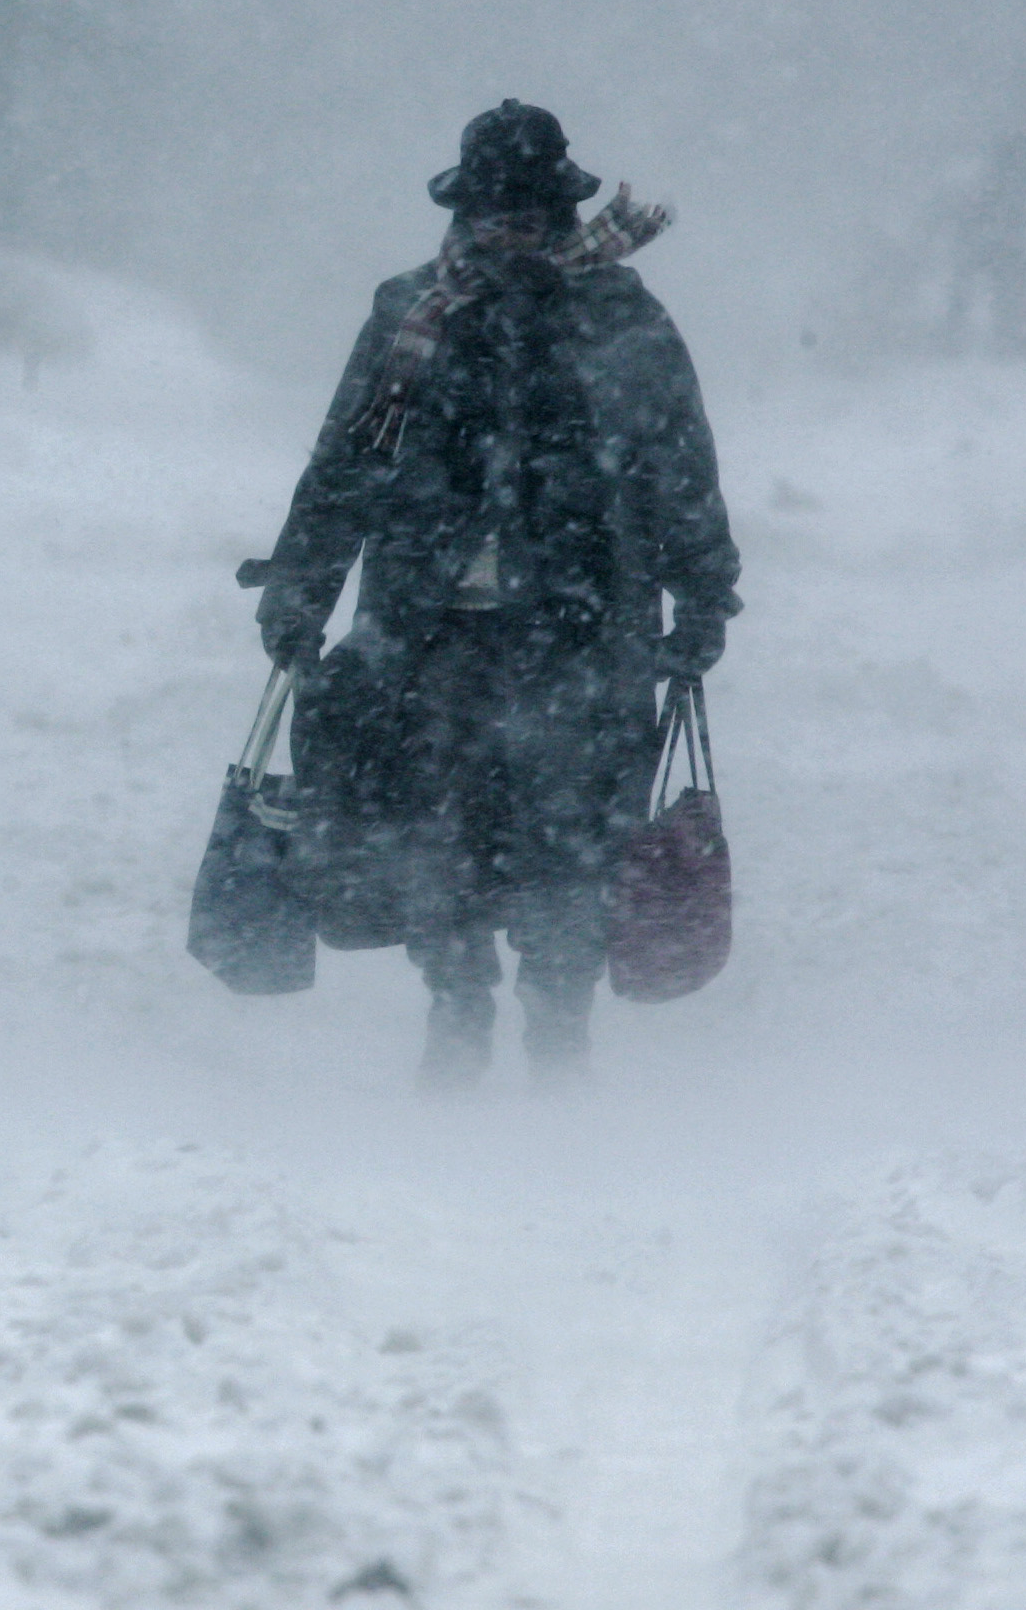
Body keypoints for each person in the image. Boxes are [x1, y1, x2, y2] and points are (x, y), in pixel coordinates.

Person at [252, 99, 739, 1088]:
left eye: (526, 208)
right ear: (462, 211)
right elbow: (347, 462)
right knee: (438, 832)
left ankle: (558, 1021)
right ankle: (455, 1007)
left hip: (585, 630)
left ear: (559, 211)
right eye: (491, 207)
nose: (508, 224)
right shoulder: (411, 315)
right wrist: (301, 586)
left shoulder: (617, 316)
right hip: (425, 630)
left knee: (571, 840)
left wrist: (700, 595)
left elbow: (675, 462)